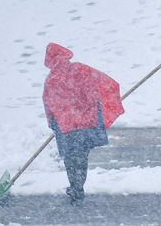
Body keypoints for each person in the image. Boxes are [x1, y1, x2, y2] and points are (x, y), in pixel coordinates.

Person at [42, 42, 124, 204]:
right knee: (82, 157)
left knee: (70, 158)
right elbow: (107, 83)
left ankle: (75, 187)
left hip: (67, 127)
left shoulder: (51, 79)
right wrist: (103, 102)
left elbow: (48, 103)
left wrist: (52, 122)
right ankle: (78, 186)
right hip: (87, 123)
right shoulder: (81, 69)